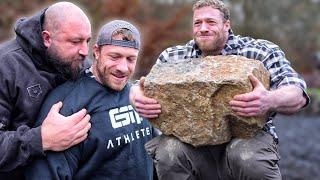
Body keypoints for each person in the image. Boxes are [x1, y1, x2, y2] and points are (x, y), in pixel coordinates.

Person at [131, 0, 309, 179]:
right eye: (197, 23)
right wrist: (137, 96)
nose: (203, 28)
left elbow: (297, 93)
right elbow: (139, 86)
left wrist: (269, 100)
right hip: (191, 144)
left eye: (210, 22)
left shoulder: (261, 51)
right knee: (167, 151)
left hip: (248, 140)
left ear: (226, 25)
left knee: (245, 156)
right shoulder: (174, 56)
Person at [25, 20, 155, 180]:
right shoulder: (67, 105)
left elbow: (156, 156)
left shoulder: (139, 96)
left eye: (130, 59)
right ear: (97, 52)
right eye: (115, 56)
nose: (123, 67)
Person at [0, 2, 92, 179]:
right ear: (47, 38)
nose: (84, 51)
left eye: (87, 41)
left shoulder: (79, 64)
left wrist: (136, 95)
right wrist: (41, 139)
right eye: (75, 41)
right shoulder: (6, 66)